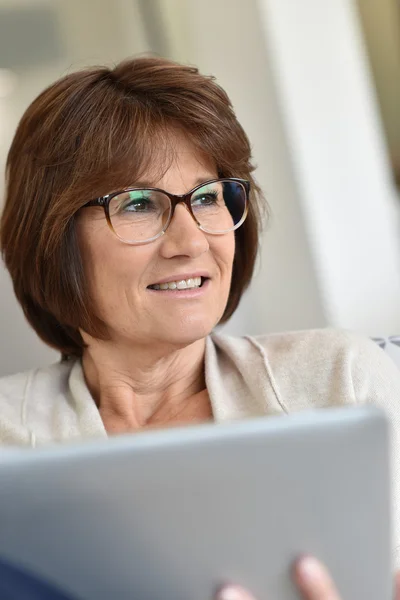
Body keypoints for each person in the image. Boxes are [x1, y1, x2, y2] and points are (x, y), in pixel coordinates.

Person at [1, 56, 400, 599]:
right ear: (52, 236)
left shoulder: (342, 381)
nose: (191, 242)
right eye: (138, 203)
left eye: (209, 197)